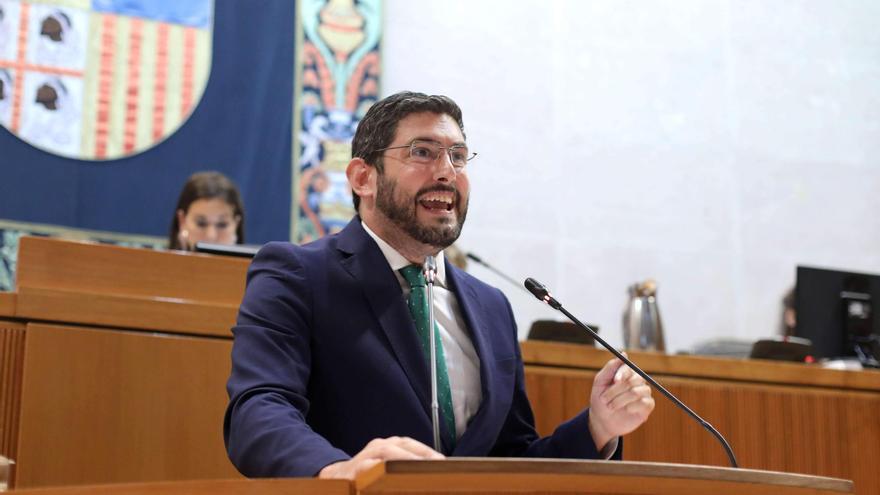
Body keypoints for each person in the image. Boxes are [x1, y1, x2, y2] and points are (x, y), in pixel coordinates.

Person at [224, 91, 654, 479]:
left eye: (459, 156)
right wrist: (337, 470)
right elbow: (259, 409)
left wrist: (598, 428)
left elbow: (510, 458)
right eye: (423, 152)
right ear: (362, 178)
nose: (447, 172)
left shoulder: (492, 307)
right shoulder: (297, 274)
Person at [168, 171, 245, 251]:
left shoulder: (254, 262)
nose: (211, 236)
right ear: (182, 221)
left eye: (222, 225)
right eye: (201, 224)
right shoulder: (157, 262)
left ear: (236, 225)